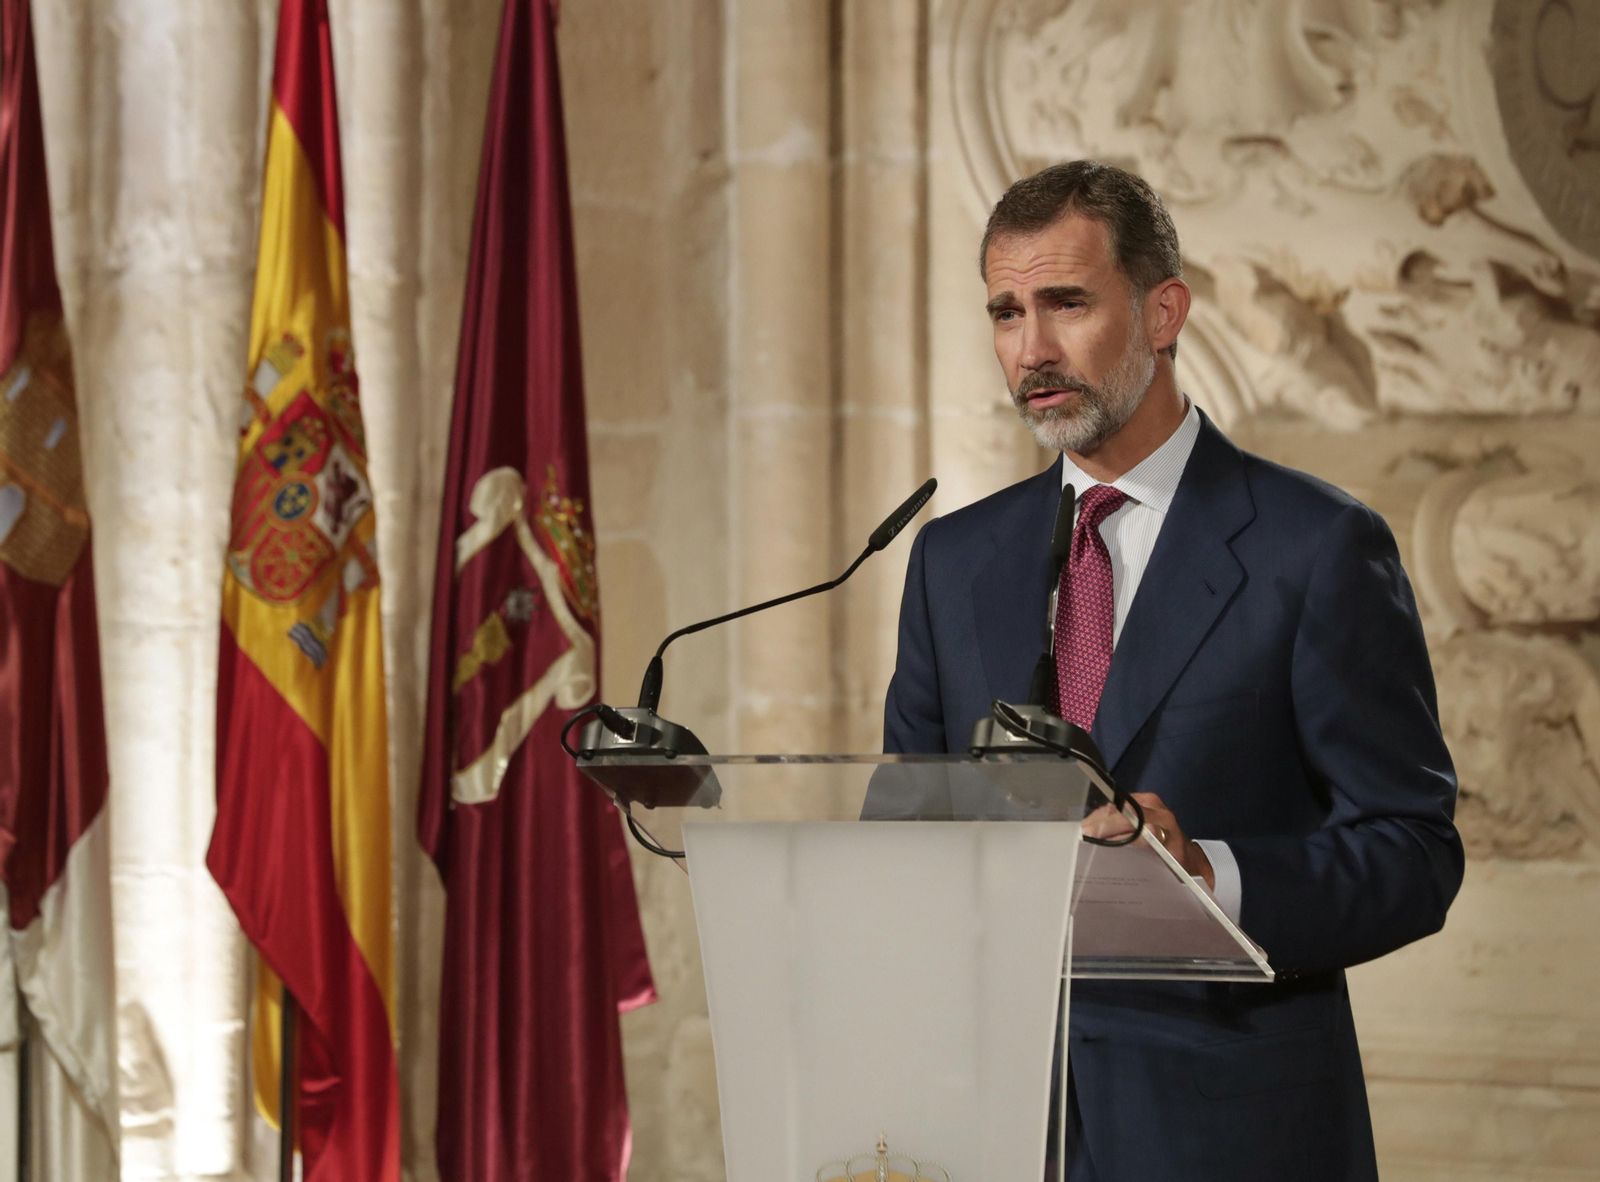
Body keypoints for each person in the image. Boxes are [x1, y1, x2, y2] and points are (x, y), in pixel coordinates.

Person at [882, 160, 1463, 1181]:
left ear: (1163, 312)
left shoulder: (1317, 546)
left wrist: (1210, 878)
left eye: (1066, 303)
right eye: (1006, 312)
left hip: (1228, 1136)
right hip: (991, 1125)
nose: (1032, 349)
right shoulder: (950, 559)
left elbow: (1413, 854)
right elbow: (907, 825)